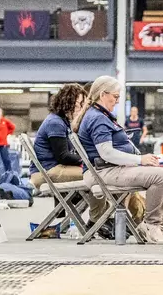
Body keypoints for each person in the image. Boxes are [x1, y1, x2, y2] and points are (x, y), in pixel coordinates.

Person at [73, 76, 163, 244]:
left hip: (109, 168)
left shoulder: (100, 115)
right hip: (103, 171)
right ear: (103, 94)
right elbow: (107, 153)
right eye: (115, 97)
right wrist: (140, 159)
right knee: (159, 176)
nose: (117, 101)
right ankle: (151, 226)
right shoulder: (97, 118)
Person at [30, 84, 120, 239]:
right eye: (79, 105)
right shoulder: (55, 123)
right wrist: (89, 161)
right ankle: (97, 220)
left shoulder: (62, 122)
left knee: (96, 174)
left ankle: (100, 219)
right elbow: (63, 156)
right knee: (96, 176)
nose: (82, 108)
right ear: (68, 103)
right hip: (47, 172)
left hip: (54, 168)